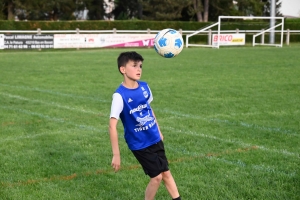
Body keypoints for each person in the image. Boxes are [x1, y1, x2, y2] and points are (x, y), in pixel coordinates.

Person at [109, 51, 181, 200]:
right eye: (134, 66)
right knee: (156, 177)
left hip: (154, 137)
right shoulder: (119, 95)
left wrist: (159, 131)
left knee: (166, 173)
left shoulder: (144, 87)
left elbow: (149, 109)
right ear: (123, 69)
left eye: (140, 66)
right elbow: (112, 126)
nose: (139, 69)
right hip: (139, 143)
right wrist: (116, 155)